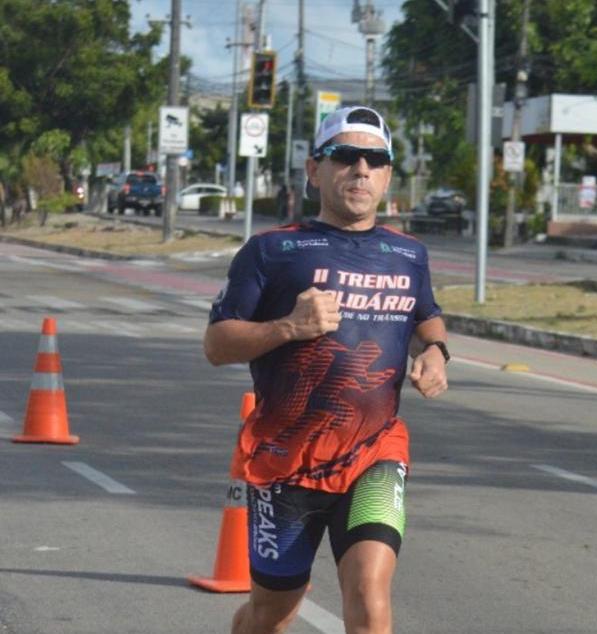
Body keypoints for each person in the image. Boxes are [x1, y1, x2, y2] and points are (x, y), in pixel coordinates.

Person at [204, 105, 449, 634]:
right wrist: (287, 328)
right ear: (315, 170)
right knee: (272, 613)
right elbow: (217, 344)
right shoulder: (272, 251)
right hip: (285, 460)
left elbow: (427, 315)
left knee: (368, 595)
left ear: (387, 174)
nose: (361, 169)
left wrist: (435, 353)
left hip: (375, 452)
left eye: (375, 159)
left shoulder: (408, 255)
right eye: (345, 156)